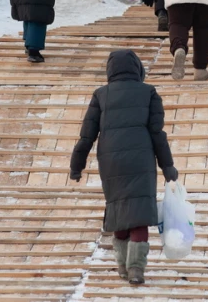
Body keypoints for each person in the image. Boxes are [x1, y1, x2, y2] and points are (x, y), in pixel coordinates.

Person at [69, 50, 179, 285]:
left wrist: (76, 166)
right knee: (139, 213)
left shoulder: (101, 95)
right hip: (141, 159)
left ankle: (121, 266)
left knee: (118, 210)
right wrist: (167, 165)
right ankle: (136, 269)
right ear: (137, 69)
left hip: (111, 161)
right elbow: (157, 133)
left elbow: (86, 136)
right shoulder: (148, 92)